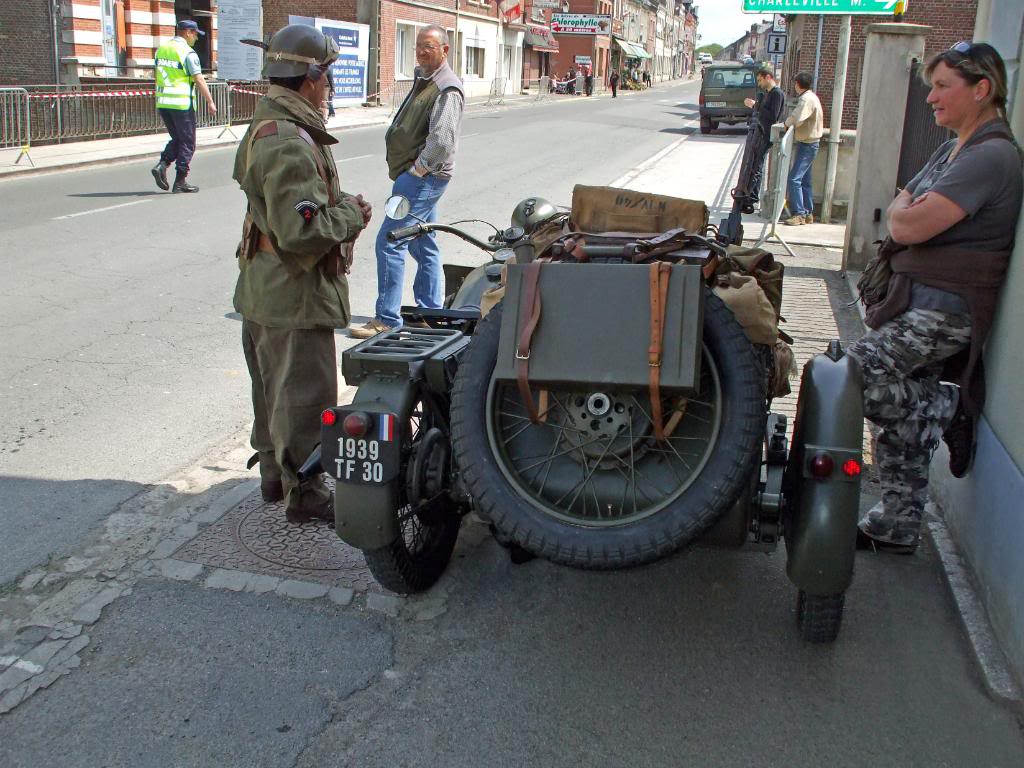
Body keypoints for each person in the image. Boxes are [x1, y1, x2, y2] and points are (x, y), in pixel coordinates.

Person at [850, 42, 1021, 553]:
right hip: (919, 302)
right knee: (902, 424)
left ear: (981, 89)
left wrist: (903, 210)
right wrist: (904, 210)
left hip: (943, 313)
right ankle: (898, 525)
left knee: (847, 378)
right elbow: (904, 210)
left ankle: (945, 404)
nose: (930, 98)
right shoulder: (953, 149)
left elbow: (909, 221)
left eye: (943, 86)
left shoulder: (990, 156)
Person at [233, 24, 372, 523]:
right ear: (310, 76)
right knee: (303, 398)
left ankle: (275, 476)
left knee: (272, 390)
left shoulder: (272, 124)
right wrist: (354, 213)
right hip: (293, 292)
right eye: (327, 75)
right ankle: (305, 494)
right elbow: (301, 232)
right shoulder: (289, 139)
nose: (330, 85)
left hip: (268, 288)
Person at [351, 25, 464, 339]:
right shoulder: (427, 79)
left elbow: (441, 142)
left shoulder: (446, 87)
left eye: (429, 46)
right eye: (418, 46)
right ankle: (430, 313)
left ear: (445, 49)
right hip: (417, 178)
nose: (422, 51)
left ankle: (387, 319)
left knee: (390, 242)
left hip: (420, 180)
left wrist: (419, 169)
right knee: (423, 242)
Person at [151, 19, 216, 193]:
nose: (196, 38)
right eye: (195, 34)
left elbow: (156, 75)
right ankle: (180, 181)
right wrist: (210, 101)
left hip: (163, 102)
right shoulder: (188, 53)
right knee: (188, 142)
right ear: (187, 32)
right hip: (181, 103)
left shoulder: (161, 49)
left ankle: (162, 165)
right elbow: (199, 79)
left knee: (177, 139)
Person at [782, 72, 824, 225]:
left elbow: (797, 118)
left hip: (807, 143)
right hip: (810, 142)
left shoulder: (806, 99)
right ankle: (808, 213)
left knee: (794, 179)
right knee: (805, 180)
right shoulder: (812, 97)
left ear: (798, 84)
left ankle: (799, 213)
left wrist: (786, 123)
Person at [743, 68, 786, 202]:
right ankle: (751, 193)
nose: (759, 83)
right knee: (755, 164)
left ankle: (753, 195)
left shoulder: (777, 93)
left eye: (760, 80)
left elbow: (773, 116)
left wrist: (757, 105)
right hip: (762, 132)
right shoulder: (768, 93)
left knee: (758, 165)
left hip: (767, 134)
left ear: (768, 77)